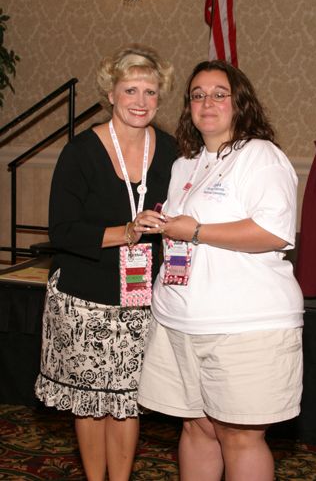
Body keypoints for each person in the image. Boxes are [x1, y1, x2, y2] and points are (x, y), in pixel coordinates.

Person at [137, 59, 304, 481]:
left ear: (239, 103)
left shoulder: (261, 156)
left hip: (245, 324)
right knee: (196, 427)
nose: (206, 102)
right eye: (197, 95)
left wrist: (196, 230)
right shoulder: (184, 165)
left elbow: (272, 231)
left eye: (218, 93)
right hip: (180, 321)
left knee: (239, 435)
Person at [34, 44, 176, 481]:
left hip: (142, 302)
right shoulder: (81, 151)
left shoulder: (172, 150)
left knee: (126, 402)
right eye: (130, 89)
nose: (140, 101)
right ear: (110, 94)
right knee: (92, 403)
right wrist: (126, 232)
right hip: (84, 299)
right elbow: (62, 231)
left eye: (150, 92)